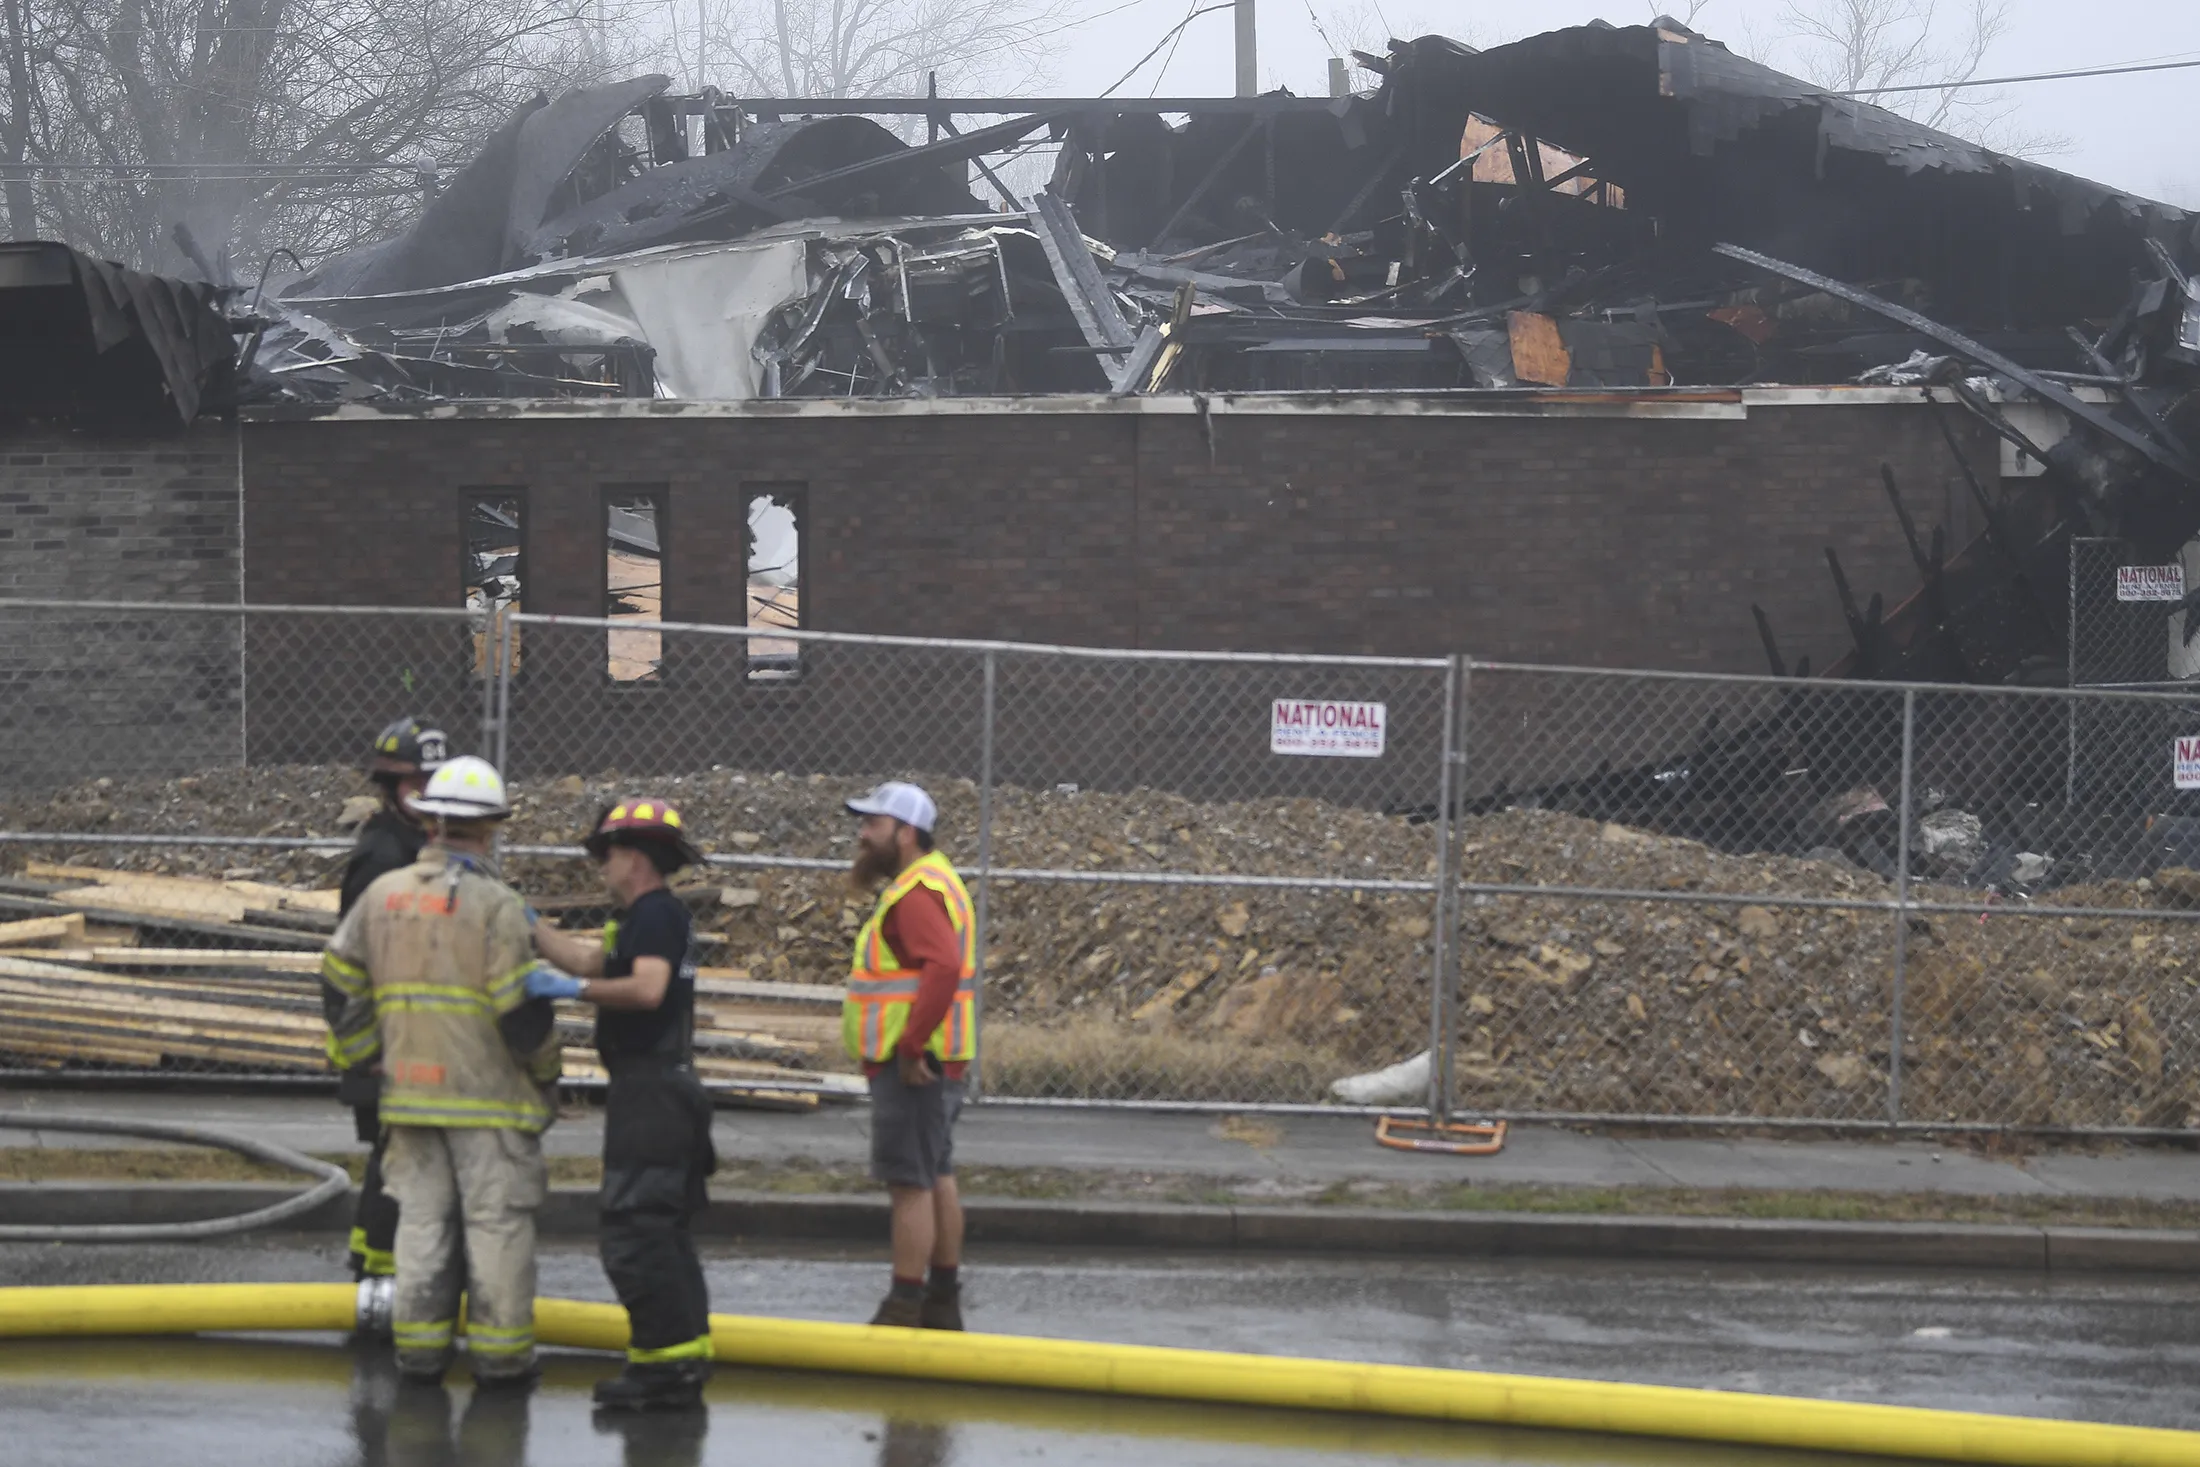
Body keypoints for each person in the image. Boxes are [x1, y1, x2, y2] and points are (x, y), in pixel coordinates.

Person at [320, 755, 564, 1390]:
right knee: (496, 1228)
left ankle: (421, 1355)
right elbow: (518, 1009)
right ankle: (502, 1362)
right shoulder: (497, 905)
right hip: (488, 1102)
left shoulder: (383, 895)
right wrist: (546, 1073)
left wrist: (363, 1054)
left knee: (422, 1225)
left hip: (408, 1094)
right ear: (489, 830)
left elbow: (338, 977)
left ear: (431, 823)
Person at [528, 800, 718, 1412]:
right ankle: (677, 1361)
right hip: (656, 1090)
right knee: (661, 1231)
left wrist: (573, 992)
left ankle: (661, 1372)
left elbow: (645, 988)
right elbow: (592, 959)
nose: (601, 866)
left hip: (654, 1094)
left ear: (633, 857)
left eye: (606, 855)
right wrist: (531, 929)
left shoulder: (658, 915)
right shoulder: (643, 918)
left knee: (636, 1231)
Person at [841, 781, 975, 1331]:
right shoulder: (934, 881)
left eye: (873, 825)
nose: (862, 834)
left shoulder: (916, 893)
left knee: (909, 1184)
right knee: (935, 1173)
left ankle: (903, 1307)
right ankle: (941, 1299)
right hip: (941, 1060)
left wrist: (912, 1046)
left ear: (906, 833)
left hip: (915, 1065)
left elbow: (941, 968)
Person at [335, 715, 450, 1297]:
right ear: (391, 787)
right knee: (396, 1163)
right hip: (387, 1048)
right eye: (415, 784)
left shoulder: (419, 846)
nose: (427, 795)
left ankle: (383, 1279)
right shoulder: (385, 858)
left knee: (399, 1161)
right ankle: (378, 1288)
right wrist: (370, 1054)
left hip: (413, 1042)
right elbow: (350, 970)